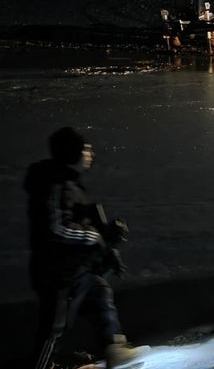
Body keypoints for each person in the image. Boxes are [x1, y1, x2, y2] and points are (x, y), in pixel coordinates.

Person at [26, 127, 147, 369]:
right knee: (55, 328)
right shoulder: (57, 184)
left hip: (74, 268)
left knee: (100, 294)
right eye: (86, 149)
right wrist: (93, 236)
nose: (90, 154)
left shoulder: (69, 183)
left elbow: (81, 221)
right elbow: (57, 228)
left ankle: (116, 349)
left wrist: (106, 239)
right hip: (57, 273)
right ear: (73, 153)